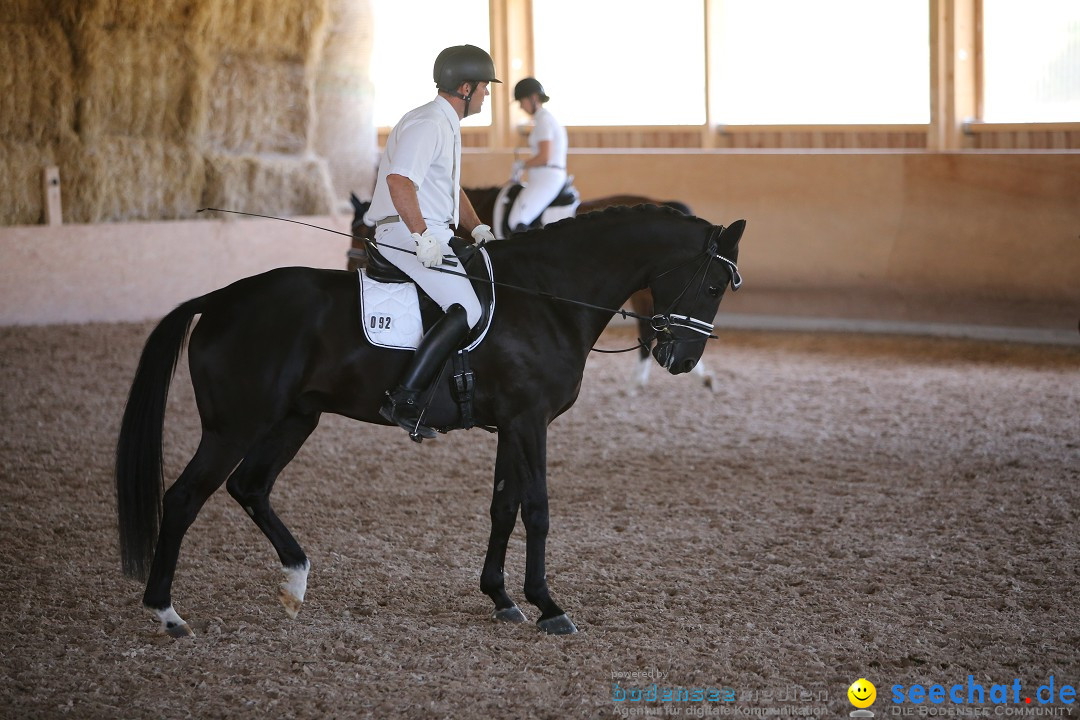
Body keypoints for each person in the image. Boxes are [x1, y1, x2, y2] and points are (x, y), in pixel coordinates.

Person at [367, 44, 500, 441]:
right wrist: (422, 236)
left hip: (432, 230)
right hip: (404, 232)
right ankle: (404, 397)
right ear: (465, 87)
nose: (487, 94)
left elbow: (448, 188)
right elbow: (399, 181)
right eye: (483, 87)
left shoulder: (447, 124)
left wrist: (476, 228)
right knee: (466, 307)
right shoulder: (428, 123)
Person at [507, 77, 568, 233]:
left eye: (522, 101)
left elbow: (544, 156)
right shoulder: (545, 119)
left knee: (517, 220)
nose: (521, 106)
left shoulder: (543, 121)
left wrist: (521, 165)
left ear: (533, 98)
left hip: (547, 177)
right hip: (546, 176)